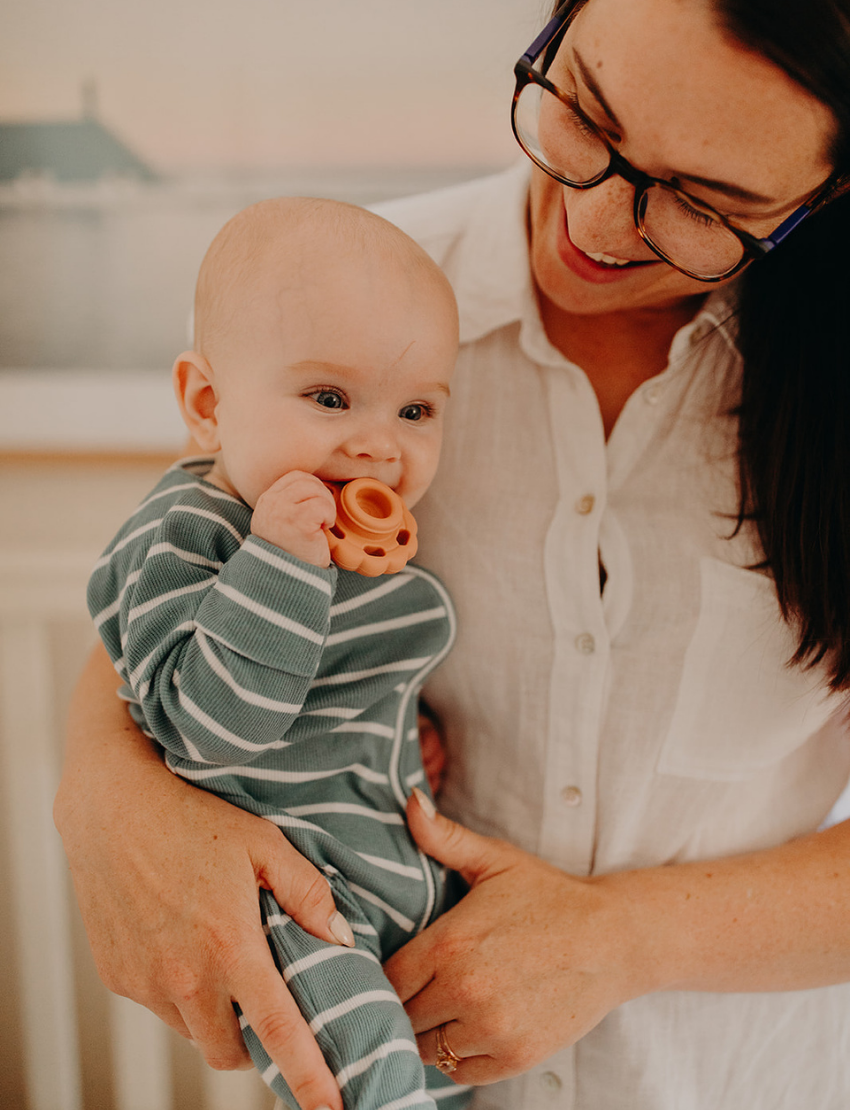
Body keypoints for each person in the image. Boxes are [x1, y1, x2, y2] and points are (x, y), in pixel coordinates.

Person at [55, 0, 850, 1107]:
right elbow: (157, 617)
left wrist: (625, 940)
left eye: (701, 203)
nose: (598, 222)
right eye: (585, 110)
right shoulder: (351, 310)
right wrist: (101, 793)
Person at [84, 196, 468, 1110]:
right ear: (208, 405)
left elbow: (348, 676)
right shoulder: (193, 539)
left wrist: (408, 723)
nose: (378, 444)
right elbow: (206, 731)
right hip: (284, 887)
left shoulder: (336, 530)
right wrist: (281, 565)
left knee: (454, 1070)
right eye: (330, 398)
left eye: (416, 410)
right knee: (363, 1079)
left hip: (397, 867)